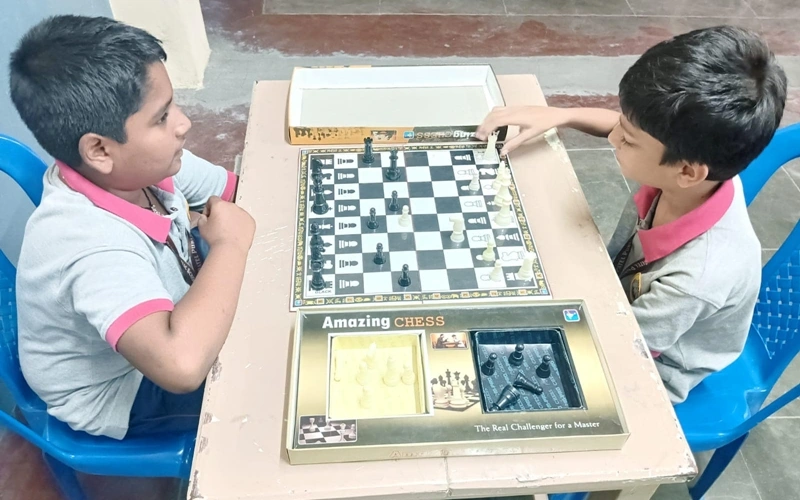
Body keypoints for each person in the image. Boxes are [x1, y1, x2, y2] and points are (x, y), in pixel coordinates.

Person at [477, 26, 787, 403]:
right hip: (614, 293)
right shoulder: (699, 171)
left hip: (652, 367)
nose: (613, 138)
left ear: (687, 171)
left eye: (627, 139)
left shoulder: (695, 279)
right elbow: (632, 130)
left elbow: (621, 349)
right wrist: (561, 115)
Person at [9, 15, 256, 439]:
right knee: (267, 377)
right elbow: (181, 366)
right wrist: (230, 245)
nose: (184, 123)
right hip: (125, 390)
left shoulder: (143, 166)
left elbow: (238, 191)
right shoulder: (88, 242)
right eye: (161, 117)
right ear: (100, 149)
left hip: (167, 314)